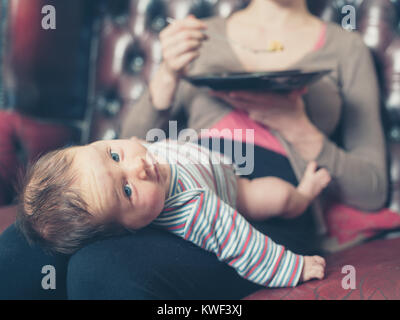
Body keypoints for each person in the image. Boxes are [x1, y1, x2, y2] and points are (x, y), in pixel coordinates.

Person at [113, 0, 388, 298]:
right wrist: (167, 73)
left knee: (113, 267)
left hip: (280, 205)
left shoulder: (346, 47)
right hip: (190, 183)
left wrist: (298, 126)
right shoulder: (200, 37)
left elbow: (371, 190)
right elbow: (128, 150)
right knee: (76, 254)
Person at [17, 137, 331, 288]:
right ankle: (302, 195)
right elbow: (242, 244)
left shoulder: (140, 158)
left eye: (114, 154)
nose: (138, 166)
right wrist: (292, 267)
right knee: (279, 197)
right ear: (130, 229)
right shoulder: (192, 208)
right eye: (126, 190)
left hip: (209, 153)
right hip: (237, 189)